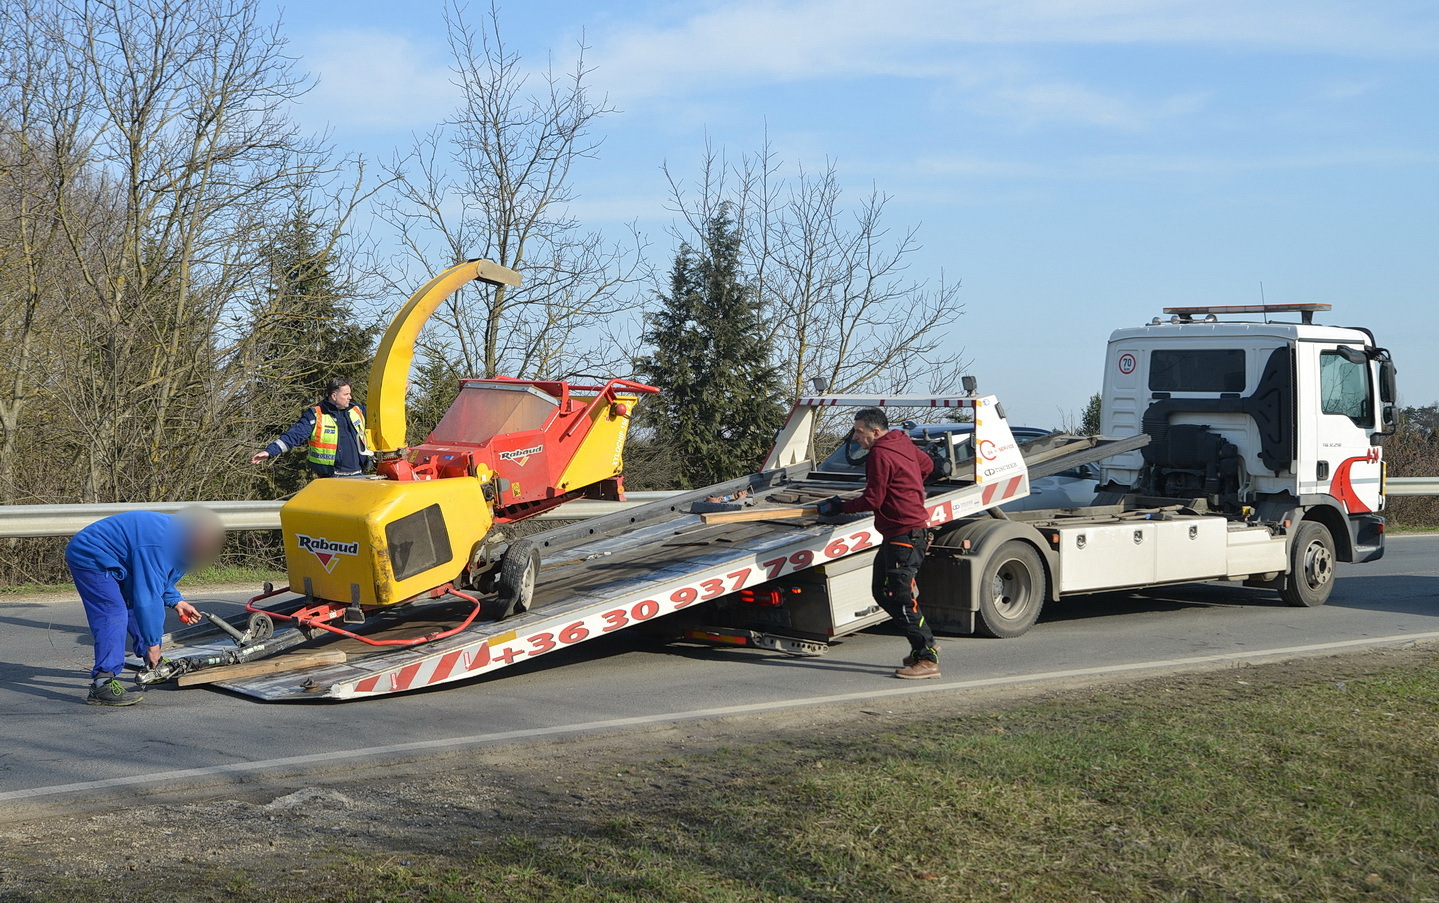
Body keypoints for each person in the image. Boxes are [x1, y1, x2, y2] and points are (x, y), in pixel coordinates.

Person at [817, 407, 940, 679]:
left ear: (875, 431)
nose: (855, 438)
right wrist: (907, 488)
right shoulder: (901, 442)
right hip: (899, 533)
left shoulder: (880, 454)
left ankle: (927, 657)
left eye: (859, 432)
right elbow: (928, 466)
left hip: (905, 534)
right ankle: (924, 645)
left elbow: (873, 499)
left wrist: (839, 507)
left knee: (900, 596)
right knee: (881, 592)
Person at [66, 507, 225, 706]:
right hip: (91, 554)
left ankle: (152, 664)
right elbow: (148, 597)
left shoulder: (181, 540)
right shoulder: (160, 544)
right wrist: (153, 644)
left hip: (120, 559)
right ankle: (102, 683)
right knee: (113, 612)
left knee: (133, 607)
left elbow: (158, 580)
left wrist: (176, 601)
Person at [251, 377, 371, 477]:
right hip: (332, 477)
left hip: (358, 475)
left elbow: (381, 415)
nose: (350, 397)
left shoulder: (357, 410)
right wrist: (269, 452)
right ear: (334, 396)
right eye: (346, 394)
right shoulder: (316, 415)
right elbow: (294, 435)